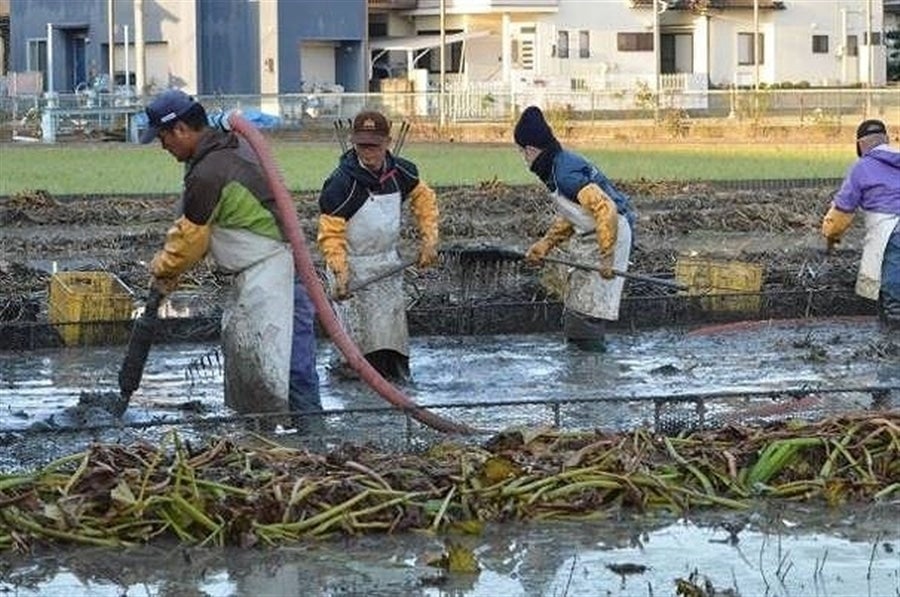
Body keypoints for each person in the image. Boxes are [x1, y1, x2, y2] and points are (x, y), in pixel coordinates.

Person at [139, 89, 322, 421]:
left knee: (287, 367)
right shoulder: (221, 152)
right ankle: (278, 440)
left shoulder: (210, 170)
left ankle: (310, 443)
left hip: (274, 274)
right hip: (262, 273)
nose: (163, 146)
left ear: (181, 129)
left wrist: (162, 270)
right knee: (276, 365)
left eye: (163, 137)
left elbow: (190, 242)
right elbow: (193, 228)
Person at [317, 109, 439, 381]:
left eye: (374, 146)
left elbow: (424, 199)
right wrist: (340, 271)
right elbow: (331, 233)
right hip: (353, 271)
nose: (368, 153)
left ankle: (396, 387)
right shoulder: (341, 184)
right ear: (353, 143)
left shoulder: (402, 172)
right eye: (362, 146)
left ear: (388, 142)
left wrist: (429, 238)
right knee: (357, 351)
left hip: (387, 267)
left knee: (391, 343)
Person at [514, 105, 636, 352]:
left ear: (530, 150)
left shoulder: (565, 173)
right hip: (593, 234)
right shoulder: (555, 168)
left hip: (611, 233)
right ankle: (581, 359)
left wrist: (606, 256)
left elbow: (605, 209)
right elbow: (575, 215)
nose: (522, 158)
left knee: (589, 309)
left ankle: (595, 370)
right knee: (577, 302)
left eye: (521, 152)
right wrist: (546, 244)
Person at [821, 118, 900, 330]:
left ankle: (893, 329)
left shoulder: (861, 168)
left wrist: (831, 237)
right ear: (886, 140)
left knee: (892, 275)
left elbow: (842, 211)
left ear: (861, 145)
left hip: (888, 229)